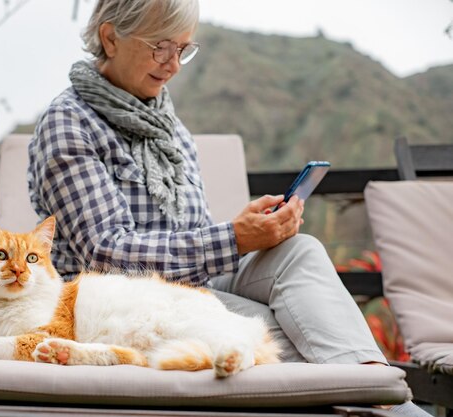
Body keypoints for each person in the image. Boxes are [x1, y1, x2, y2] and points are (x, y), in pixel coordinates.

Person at [27, 1, 428, 415]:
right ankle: (383, 403)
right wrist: (234, 238)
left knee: (300, 252)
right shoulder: (68, 124)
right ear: (111, 38)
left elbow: (193, 234)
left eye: (184, 50)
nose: (174, 65)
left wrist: (252, 230)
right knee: (300, 332)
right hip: (114, 307)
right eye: (161, 47)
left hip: (191, 288)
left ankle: (374, 390)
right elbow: (107, 255)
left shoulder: (170, 128)